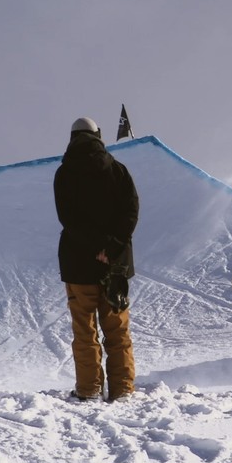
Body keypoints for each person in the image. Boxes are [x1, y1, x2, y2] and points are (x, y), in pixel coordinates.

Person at [54, 116, 139, 402]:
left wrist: (94, 247)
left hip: (78, 264)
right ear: (98, 135)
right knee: (117, 329)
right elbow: (130, 213)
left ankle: (89, 390)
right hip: (116, 265)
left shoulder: (64, 173)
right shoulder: (118, 170)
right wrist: (111, 247)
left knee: (84, 329)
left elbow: (68, 219)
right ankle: (123, 390)